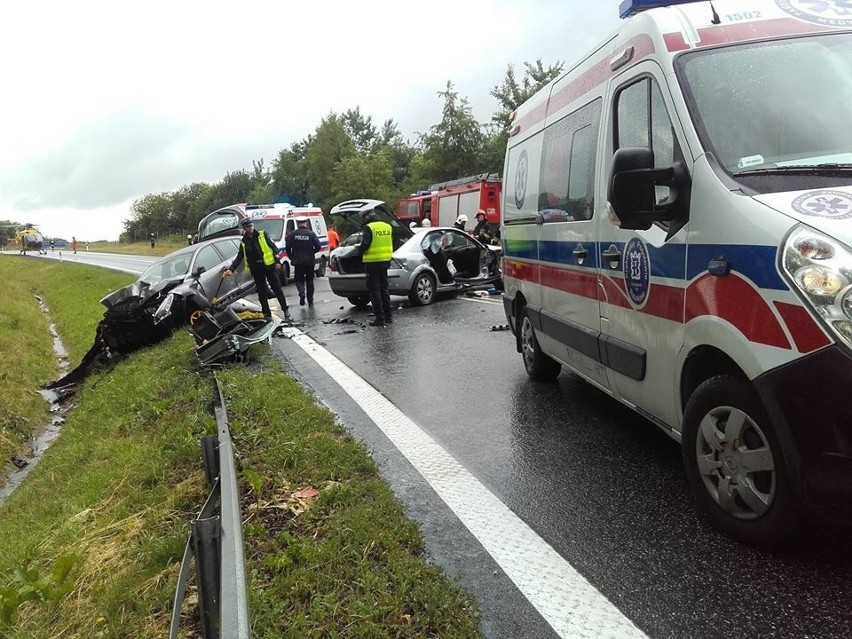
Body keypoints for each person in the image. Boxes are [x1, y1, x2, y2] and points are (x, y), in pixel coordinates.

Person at [222, 218, 292, 321]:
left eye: (251, 226)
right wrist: (231, 269)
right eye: (248, 227)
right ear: (244, 228)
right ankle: (266, 314)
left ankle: (286, 311)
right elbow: (239, 256)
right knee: (261, 292)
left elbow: (274, 248)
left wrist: (277, 261)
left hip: (268, 266)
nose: (250, 228)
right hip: (256, 269)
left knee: (276, 288)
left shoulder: (262, 234)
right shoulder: (244, 242)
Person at [354, 208, 393, 326]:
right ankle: (388, 316)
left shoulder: (369, 227)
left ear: (366, 217)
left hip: (372, 262)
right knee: (384, 289)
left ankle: (379, 318)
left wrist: (358, 250)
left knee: (374, 290)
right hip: (385, 260)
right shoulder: (387, 226)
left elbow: (365, 244)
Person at [285, 215, 322, 307]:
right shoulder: (311, 234)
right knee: (310, 281)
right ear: (306, 223)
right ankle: (310, 300)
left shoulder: (292, 234)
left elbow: (287, 247)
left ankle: (302, 293)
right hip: (309, 261)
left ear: (297, 223)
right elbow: (318, 246)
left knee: (299, 280)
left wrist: (291, 256)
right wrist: (312, 252)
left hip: (298, 261)